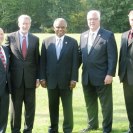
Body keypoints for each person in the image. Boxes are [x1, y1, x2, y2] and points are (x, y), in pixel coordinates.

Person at [79, 10, 118, 133]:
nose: (92, 21)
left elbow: (113, 56)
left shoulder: (108, 35)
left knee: (106, 105)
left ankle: (107, 128)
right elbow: (80, 55)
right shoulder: (83, 35)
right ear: (87, 20)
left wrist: (110, 74)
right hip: (87, 76)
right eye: (90, 19)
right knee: (90, 103)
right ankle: (92, 125)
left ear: (99, 20)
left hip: (103, 77)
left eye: (94, 19)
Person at [40, 18, 78, 133]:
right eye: (58, 27)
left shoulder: (72, 42)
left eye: (63, 27)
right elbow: (43, 62)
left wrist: (74, 79)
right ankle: (53, 128)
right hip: (51, 81)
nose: (60, 29)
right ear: (53, 28)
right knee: (52, 107)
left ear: (66, 28)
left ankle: (67, 129)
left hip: (67, 82)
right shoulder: (46, 41)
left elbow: (75, 62)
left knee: (67, 107)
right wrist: (42, 77)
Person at [5, 15, 40, 133]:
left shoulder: (35, 39)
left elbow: (37, 60)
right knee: (15, 107)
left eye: (27, 23)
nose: (25, 25)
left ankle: (28, 129)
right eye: (23, 23)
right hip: (15, 79)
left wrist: (38, 77)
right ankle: (15, 130)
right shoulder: (10, 37)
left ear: (30, 24)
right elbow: (6, 57)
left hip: (30, 79)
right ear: (19, 24)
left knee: (30, 107)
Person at [118, 10, 133, 133]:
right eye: (132, 19)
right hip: (126, 76)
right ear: (129, 20)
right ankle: (131, 127)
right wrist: (120, 73)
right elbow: (122, 55)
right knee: (129, 104)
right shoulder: (124, 35)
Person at [0, 28, 10, 133]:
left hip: (6, 88)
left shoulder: (6, 49)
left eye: (2, 34)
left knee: (3, 114)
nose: (0, 36)